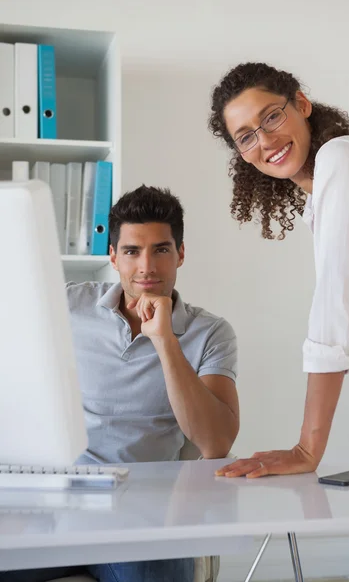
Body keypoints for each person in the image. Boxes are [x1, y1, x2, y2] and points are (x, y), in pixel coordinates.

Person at [3, 185, 239, 582]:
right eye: (131, 251)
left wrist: (165, 340)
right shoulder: (65, 307)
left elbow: (215, 443)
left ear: (181, 254)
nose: (146, 266)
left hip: (144, 513)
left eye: (161, 249)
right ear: (112, 256)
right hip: (56, 504)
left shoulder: (211, 332)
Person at [208, 61, 349, 479]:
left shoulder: (342, 158)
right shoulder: (323, 195)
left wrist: (307, 449)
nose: (266, 140)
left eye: (272, 116)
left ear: (301, 104)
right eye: (246, 137)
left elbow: (336, 303)